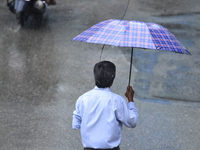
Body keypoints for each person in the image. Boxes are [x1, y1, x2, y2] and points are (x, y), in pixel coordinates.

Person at [72, 61, 138, 150]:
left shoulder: (83, 99)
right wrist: (130, 100)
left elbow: (75, 124)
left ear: (95, 76)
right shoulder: (117, 101)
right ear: (112, 80)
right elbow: (132, 122)